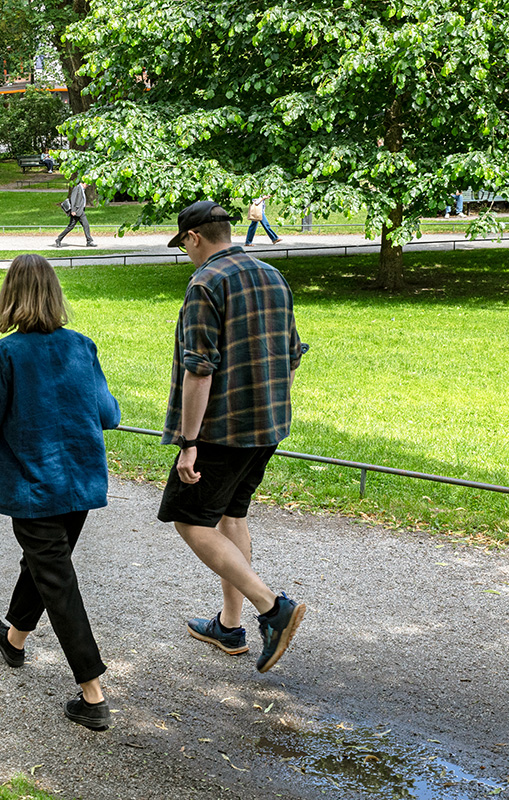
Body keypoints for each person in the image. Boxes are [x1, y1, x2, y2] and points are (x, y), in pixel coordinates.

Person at [0, 254, 121, 731]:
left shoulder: (6, 354)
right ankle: (13, 640)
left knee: (57, 578)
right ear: (54, 294)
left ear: (10, 295)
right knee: (44, 563)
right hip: (79, 482)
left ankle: (92, 694)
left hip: (35, 488)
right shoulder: (81, 346)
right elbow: (109, 414)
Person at [161, 200, 305, 673]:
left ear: (195, 237)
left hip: (221, 430)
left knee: (189, 519)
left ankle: (272, 608)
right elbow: (292, 353)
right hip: (269, 424)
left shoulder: (206, 282)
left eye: (183, 243)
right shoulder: (272, 275)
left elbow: (198, 370)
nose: (185, 252)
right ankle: (229, 625)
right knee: (231, 515)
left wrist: (189, 440)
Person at [54, 181, 95, 248]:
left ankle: (89, 241)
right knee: (70, 226)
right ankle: (58, 239)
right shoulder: (77, 188)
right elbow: (73, 199)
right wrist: (73, 210)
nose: (87, 186)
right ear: (82, 183)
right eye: (86, 184)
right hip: (76, 211)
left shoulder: (82, 189)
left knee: (86, 225)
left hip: (81, 211)